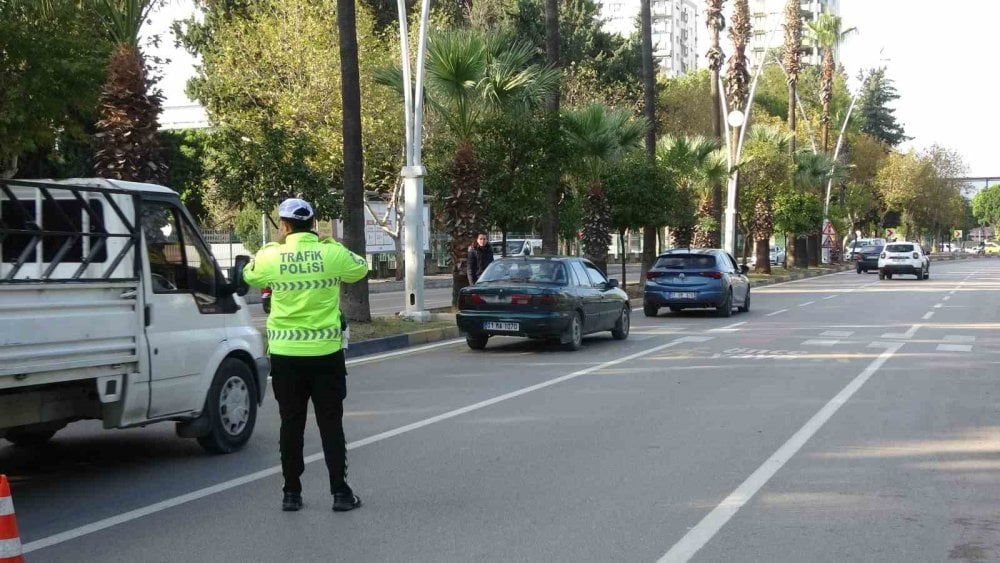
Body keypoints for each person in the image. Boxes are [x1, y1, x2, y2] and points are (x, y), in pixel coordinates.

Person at [243, 198, 369, 513]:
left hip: (286, 356)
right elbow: (360, 267)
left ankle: (291, 493)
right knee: (330, 423)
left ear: (284, 226)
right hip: (326, 355)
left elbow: (249, 275)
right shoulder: (331, 252)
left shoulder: (271, 255)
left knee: (291, 423)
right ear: (314, 224)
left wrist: (273, 250)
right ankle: (340, 493)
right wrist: (330, 245)